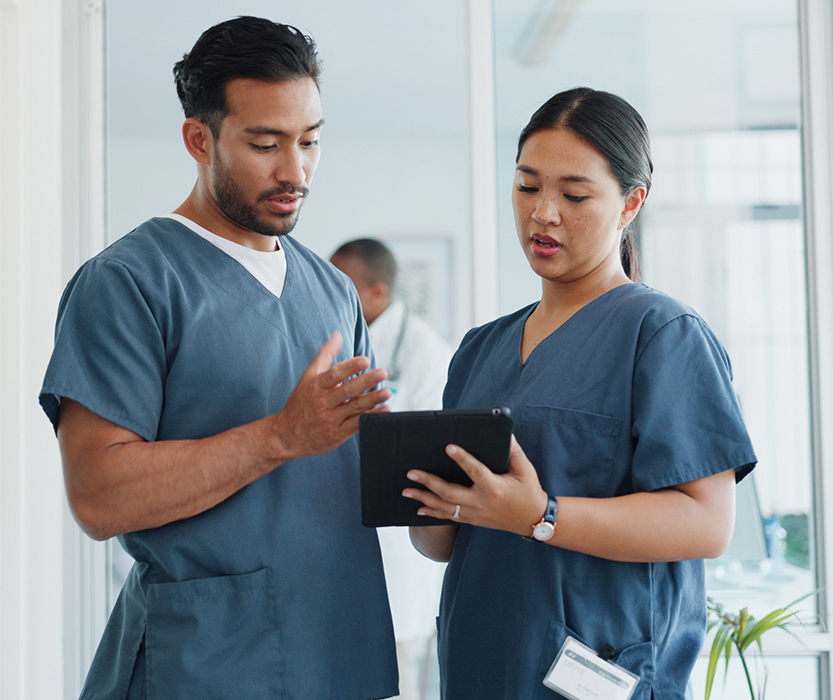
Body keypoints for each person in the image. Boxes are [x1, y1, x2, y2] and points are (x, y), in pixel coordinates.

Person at [38, 16, 398, 700]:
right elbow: (98, 495)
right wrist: (279, 437)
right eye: (265, 144)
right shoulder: (129, 283)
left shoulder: (332, 290)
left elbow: (350, 469)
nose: (295, 170)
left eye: (310, 142)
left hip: (338, 652)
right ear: (198, 139)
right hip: (205, 666)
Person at [406, 87, 757, 699]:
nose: (543, 213)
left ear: (630, 204)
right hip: (482, 662)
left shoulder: (663, 334)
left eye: (574, 195)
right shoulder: (479, 348)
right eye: (526, 186)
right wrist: (424, 496)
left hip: (596, 672)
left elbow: (707, 522)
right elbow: (441, 543)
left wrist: (541, 516)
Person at [331, 239, 451, 700]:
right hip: (341, 537)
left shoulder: (426, 353)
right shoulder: (338, 337)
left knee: (395, 683)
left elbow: (421, 454)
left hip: (399, 550)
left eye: (346, 286)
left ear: (378, 292)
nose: (333, 292)